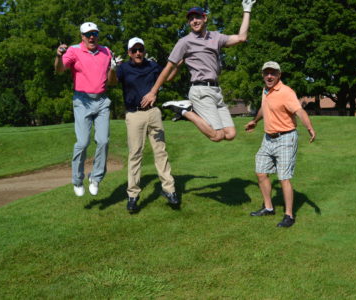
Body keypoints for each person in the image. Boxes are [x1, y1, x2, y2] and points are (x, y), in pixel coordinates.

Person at [141, 0, 257, 142]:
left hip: (216, 90)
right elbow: (168, 68)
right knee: (217, 136)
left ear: (205, 18)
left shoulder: (216, 37)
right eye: (191, 19)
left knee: (230, 134)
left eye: (197, 17)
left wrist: (247, 10)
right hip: (200, 90)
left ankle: (186, 110)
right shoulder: (184, 42)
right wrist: (153, 92)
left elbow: (241, 38)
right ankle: (186, 111)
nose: (194, 21)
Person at [108, 37, 179, 212]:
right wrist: (111, 68)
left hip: (153, 113)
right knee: (135, 155)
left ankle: (169, 190)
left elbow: (168, 77)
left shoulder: (152, 66)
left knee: (161, 152)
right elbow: (111, 82)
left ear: (144, 51)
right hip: (134, 115)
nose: (138, 53)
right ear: (129, 53)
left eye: (141, 50)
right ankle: (133, 195)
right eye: (134, 50)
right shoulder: (123, 68)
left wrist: (180, 60)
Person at [244, 61, 316, 228]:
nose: (269, 76)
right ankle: (268, 208)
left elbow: (299, 111)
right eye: (266, 73)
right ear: (263, 75)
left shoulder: (286, 92)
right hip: (268, 138)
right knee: (261, 172)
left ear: (279, 75)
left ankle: (289, 215)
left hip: (286, 138)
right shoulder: (266, 90)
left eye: (273, 73)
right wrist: (255, 121)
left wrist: (310, 128)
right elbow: (264, 107)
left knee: (284, 177)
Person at [55, 22, 116, 197]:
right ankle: (77, 179)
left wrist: (113, 69)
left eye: (94, 33)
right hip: (82, 101)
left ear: (98, 35)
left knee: (103, 141)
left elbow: (112, 81)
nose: (91, 37)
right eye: (88, 34)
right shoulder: (73, 51)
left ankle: (96, 178)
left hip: (102, 100)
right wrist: (58, 56)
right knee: (82, 143)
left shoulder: (106, 51)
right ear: (82, 36)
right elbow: (59, 70)